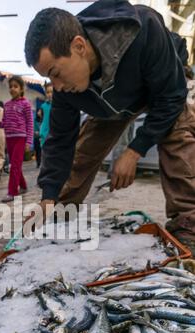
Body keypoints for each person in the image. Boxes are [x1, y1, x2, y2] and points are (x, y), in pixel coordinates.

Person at [24, 1, 195, 255]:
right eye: (49, 79)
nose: (56, 85)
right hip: (111, 105)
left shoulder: (143, 29)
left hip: (161, 87)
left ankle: (188, 225)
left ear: (79, 46)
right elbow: (60, 141)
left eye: (56, 72)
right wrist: (48, 195)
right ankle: (59, 213)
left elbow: (171, 97)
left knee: (176, 131)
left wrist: (134, 150)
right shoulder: (65, 90)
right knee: (81, 153)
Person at [0, 75, 34, 203]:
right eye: (10, 86)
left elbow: (30, 123)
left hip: (20, 138)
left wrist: (28, 142)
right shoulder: (6, 105)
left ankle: (12, 192)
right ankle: (23, 186)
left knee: (14, 165)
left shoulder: (26, 104)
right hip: (9, 139)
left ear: (21, 88)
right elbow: (5, 122)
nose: (12, 89)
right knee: (15, 165)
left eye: (15, 86)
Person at [40, 82, 53, 147]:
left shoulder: (58, 106)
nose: (50, 94)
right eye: (47, 92)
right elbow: (42, 119)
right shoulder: (43, 106)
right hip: (44, 134)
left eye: (52, 92)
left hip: (54, 134)